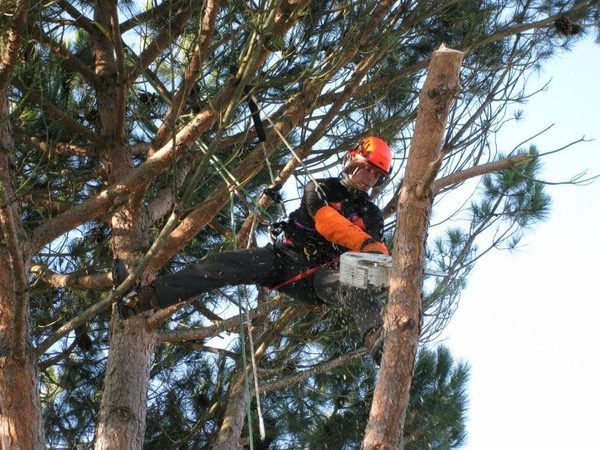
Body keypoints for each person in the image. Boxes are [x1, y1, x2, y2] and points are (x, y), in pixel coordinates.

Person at [116, 136, 392, 364]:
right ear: (353, 161)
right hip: (284, 260)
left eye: (377, 174)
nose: (370, 177)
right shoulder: (319, 187)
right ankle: (145, 297)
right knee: (222, 265)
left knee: (372, 274)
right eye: (367, 168)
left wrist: (376, 258)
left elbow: (374, 260)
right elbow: (325, 220)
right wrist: (367, 245)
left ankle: (377, 339)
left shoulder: (373, 215)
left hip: (322, 279)